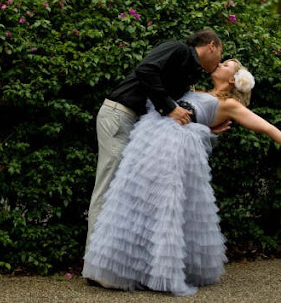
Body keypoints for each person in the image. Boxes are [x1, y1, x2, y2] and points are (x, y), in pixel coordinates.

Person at [82, 59, 281, 296]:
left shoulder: (231, 105)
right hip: (150, 140)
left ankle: (160, 272)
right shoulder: (196, 90)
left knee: (164, 207)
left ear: (234, 79)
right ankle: (133, 268)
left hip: (172, 149)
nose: (220, 63)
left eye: (227, 64)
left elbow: (267, 127)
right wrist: (207, 128)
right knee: (137, 202)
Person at [84, 29, 228, 258]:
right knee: (109, 188)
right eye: (221, 53)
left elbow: (184, 108)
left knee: (127, 193)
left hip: (137, 125)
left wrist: (206, 128)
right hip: (119, 115)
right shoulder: (178, 49)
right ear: (211, 45)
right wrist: (169, 107)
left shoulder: (191, 73)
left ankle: (117, 263)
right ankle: (95, 263)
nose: (220, 61)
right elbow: (146, 69)